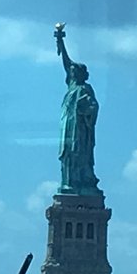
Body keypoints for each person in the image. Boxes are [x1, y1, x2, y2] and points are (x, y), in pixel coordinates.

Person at [54, 23, 101, 195]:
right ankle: (68, 182)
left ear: (81, 74)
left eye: (75, 72)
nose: (71, 73)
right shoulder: (72, 84)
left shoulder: (85, 88)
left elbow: (94, 106)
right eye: (71, 72)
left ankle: (81, 182)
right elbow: (66, 61)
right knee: (67, 153)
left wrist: (87, 109)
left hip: (80, 130)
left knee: (78, 153)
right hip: (67, 124)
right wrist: (60, 40)